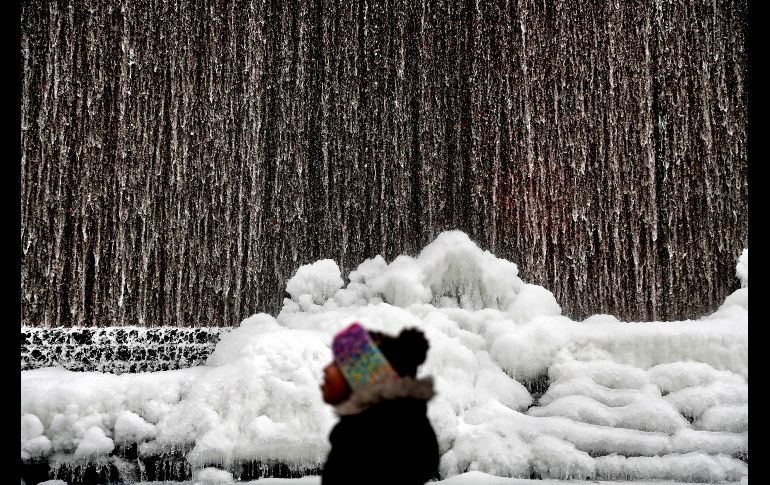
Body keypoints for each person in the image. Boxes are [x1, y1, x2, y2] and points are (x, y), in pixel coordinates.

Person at [320, 322, 440, 485]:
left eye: (337, 364)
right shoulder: (397, 428)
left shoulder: (364, 442)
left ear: (360, 378)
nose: (326, 369)